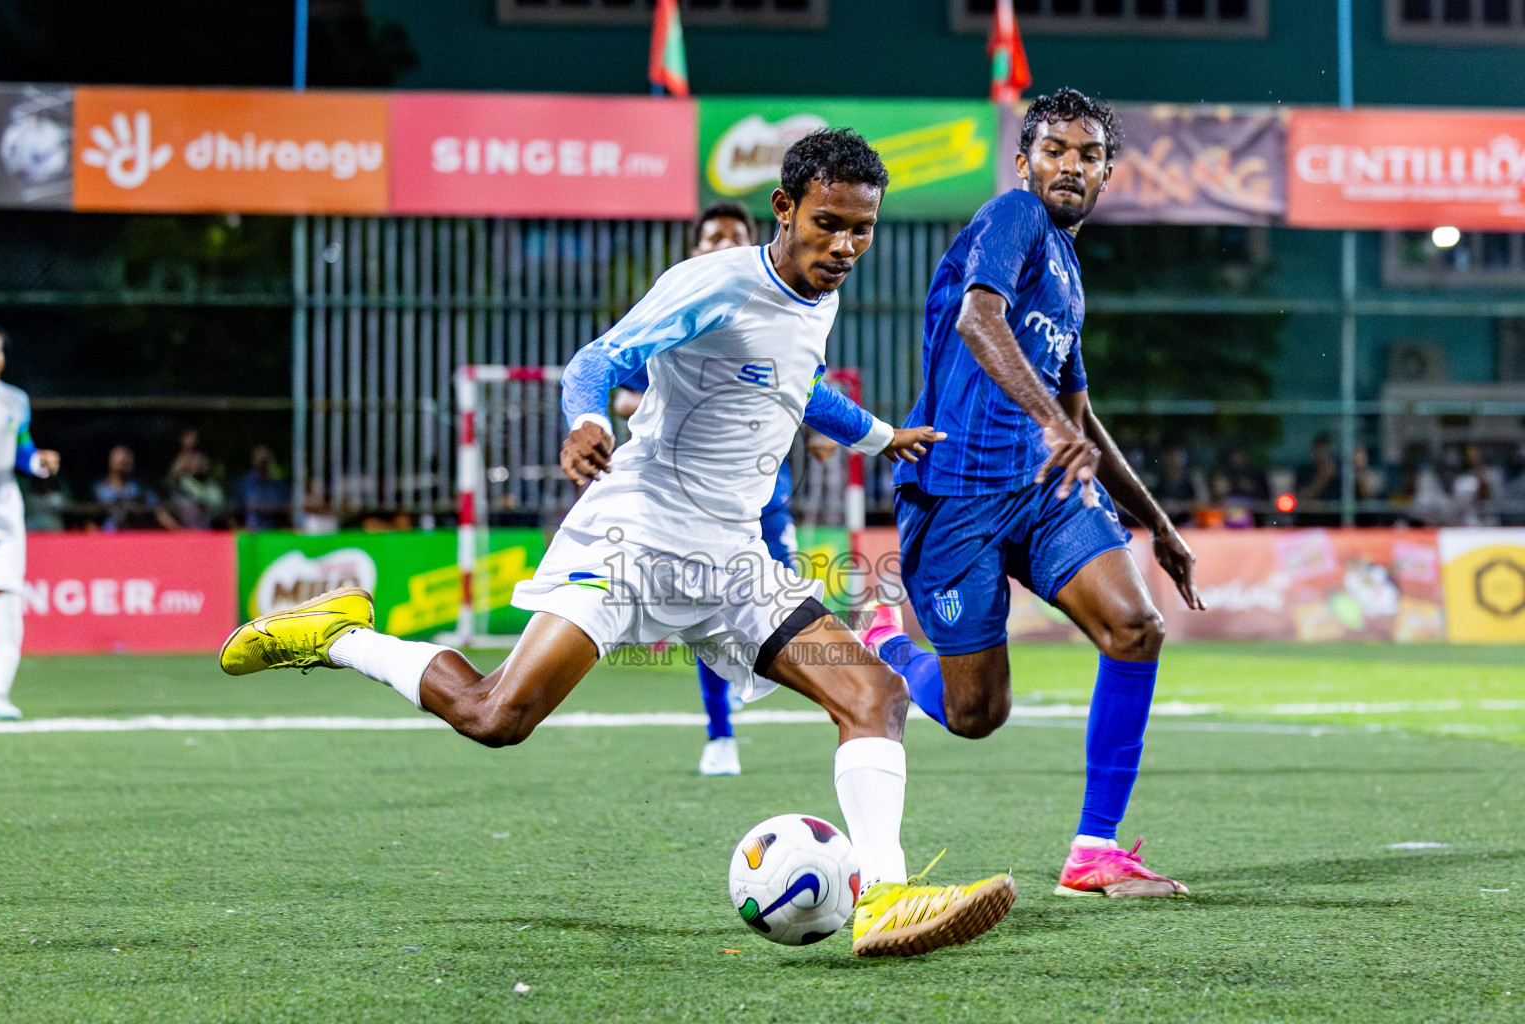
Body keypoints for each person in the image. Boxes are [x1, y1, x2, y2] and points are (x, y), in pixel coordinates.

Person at [220, 129, 1016, 958]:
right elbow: (600, 357)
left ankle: (885, 896)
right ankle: (343, 635)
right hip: (633, 537)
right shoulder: (712, 283)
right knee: (497, 716)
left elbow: (797, 382)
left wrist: (883, 436)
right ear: (783, 209)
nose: (845, 246)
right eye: (828, 224)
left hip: (733, 558)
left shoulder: (822, 293)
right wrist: (590, 420)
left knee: (875, 695)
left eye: (862, 229)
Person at [859, 89, 1205, 898]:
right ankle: (890, 650)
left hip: (1044, 492)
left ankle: (1095, 850)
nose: (1069, 166)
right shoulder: (1013, 217)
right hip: (955, 496)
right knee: (979, 715)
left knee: (1135, 627)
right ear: (1024, 162)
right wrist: (1051, 422)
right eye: (1054, 149)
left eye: (1088, 156)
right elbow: (982, 321)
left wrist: (1158, 525)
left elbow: (1084, 419)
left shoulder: (1071, 277)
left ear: (1107, 175)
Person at [613, 201, 838, 778]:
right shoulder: (677, 309)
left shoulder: (783, 308)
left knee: (785, 611)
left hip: (764, 494)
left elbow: (804, 387)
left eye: (734, 237)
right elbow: (620, 388)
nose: (722, 245)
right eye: (712, 237)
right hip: (687, 500)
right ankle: (720, 734)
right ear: (695, 249)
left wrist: (821, 431)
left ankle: (852, 688)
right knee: (704, 610)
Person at [0, 323, 60, 720]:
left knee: (9, 598)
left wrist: (38, 463)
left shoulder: (15, 401)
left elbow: (22, 449)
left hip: (1, 507)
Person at [93, 445, 177, 531]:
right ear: (110, 462)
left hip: (135, 536)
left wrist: (178, 532)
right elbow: (90, 520)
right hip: (107, 537)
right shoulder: (98, 490)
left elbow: (160, 512)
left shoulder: (139, 489)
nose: (123, 462)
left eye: (126, 460)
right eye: (120, 461)